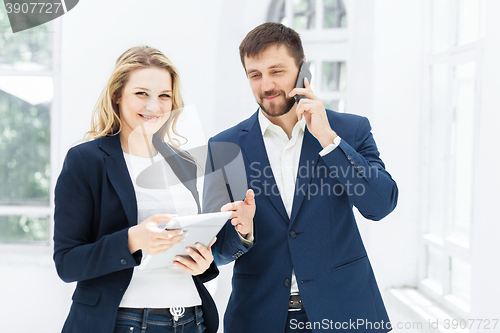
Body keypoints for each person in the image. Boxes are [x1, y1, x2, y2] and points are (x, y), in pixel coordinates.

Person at [206, 22, 399, 332]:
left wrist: (328, 139)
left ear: (302, 68)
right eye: (255, 75)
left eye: (277, 71)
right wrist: (242, 232)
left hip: (345, 312)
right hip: (259, 318)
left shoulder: (349, 130)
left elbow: (380, 205)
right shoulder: (225, 147)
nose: (266, 85)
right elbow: (217, 251)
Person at [53, 46, 253, 333]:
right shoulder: (86, 160)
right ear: (117, 96)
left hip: (190, 319)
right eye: (141, 94)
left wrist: (208, 259)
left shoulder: (184, 162)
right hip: (124, 321)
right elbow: (67, 262)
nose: (154, 106)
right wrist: (133, 239)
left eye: (164, 96)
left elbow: (196, 246)